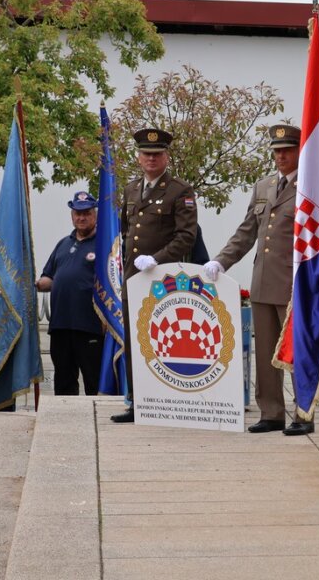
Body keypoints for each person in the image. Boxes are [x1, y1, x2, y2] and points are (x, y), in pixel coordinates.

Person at [205, 124, 304, 434]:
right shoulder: (264, 186)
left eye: (287, 150)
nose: (281, 156)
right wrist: (222, 261)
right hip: (263, 281)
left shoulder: (310, 186)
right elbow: (248, 231)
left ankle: (304, 412)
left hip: (294, 284)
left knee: (298, 352)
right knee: (265, 355)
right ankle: (272, 412)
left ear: (300, 150)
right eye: (276, 151)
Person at [111, 127, 198, 423]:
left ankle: (166, 401)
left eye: (157, 154)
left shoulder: (180, 191)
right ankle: (138, 401)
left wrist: (157, 260)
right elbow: (126, 231)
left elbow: (186, 237)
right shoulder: (132, 189)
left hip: (164, 279)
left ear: (166, 157)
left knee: (165, 339)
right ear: (138, 157)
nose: (151, 159)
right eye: (147, 154)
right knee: (136, 339)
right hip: (134, 278)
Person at [36, 192, 104, 395]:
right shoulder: (63, 244)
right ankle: (65, 425)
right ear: (72, 215)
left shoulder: (105, 245)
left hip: (90, 327)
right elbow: (49, 279)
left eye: (86, 213)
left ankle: (99, 424)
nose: (81, 217)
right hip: (60, 326)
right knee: (64, 382)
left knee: (94, 381)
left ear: (95, 215)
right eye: (77, 213)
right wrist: (33, 284)